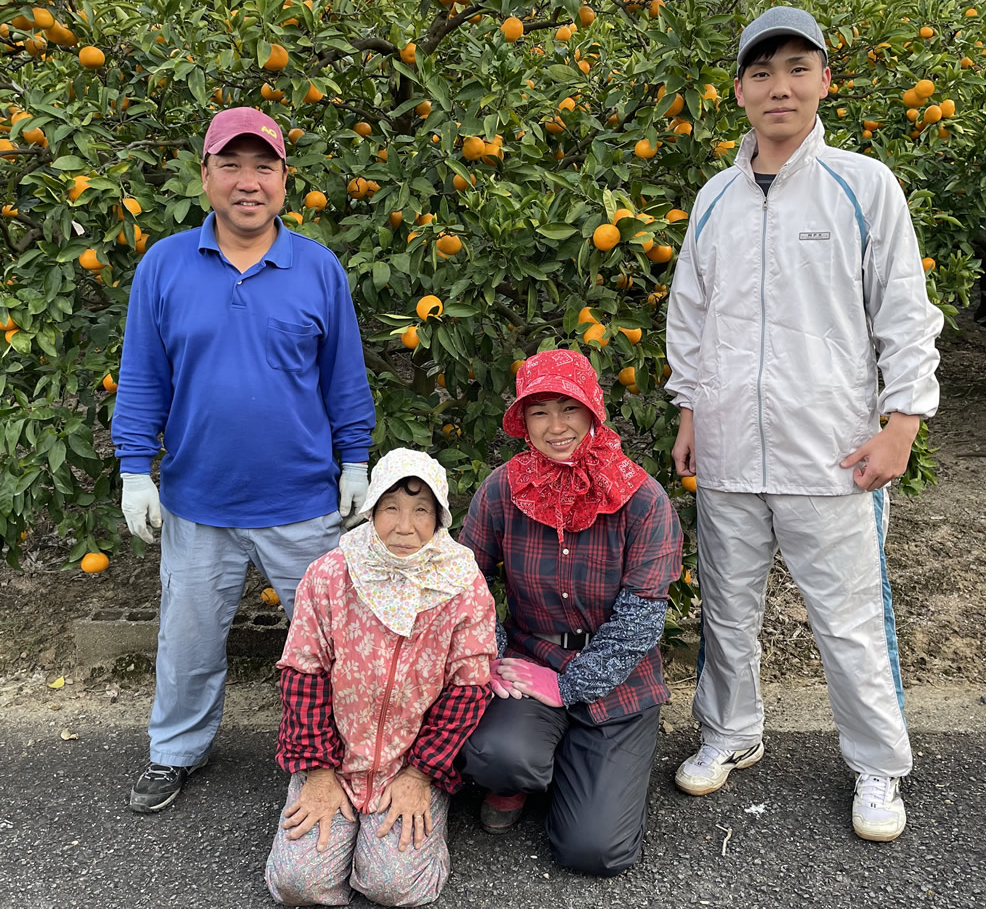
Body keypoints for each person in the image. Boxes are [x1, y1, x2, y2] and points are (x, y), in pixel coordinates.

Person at [665, 6, 944, 842]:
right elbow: (692, 311)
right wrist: (688, 407)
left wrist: (903, 424)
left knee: (851, 619)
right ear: (740, 92)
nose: (779, 86)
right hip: (727, 449)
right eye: (761, 72)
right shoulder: (715, 196)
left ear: (825, 79)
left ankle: (877, 766)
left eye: (797, 68)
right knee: (727, 609)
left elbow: (904, 311)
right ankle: (730, 734)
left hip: (834, 453)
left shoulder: (864, 185)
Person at [111, 106, 376, 814]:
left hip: (303, 504)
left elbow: (344, 380)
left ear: (286, 180)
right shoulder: (164, 265)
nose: (248, 182)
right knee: (188, 643)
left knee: (329, 647)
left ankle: (348, 752)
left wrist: (357, 463)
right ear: (205, 176)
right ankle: (175, 751)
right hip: (199, 502)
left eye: (264, 166)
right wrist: (136, 468)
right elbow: (142, 376)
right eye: (232, 164)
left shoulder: (318, 268)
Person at [457, 349, 683, 877]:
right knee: (495, 755)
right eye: (539, 412)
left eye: (568, 408)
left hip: (617, 682)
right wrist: (488, 653)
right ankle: (523, 771)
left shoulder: (644, 501)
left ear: (593, 411)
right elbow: (467, 582)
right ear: (523, 422)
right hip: (528, 662)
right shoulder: (502, 489)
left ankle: (583, 772)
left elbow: (642, 615)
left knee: (595, 851)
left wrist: (571, 684)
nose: (555, 427)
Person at [264, 448, 496, 907]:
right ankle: (334, 817)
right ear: (372, 509)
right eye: (390, 508)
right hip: (334, 759)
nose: (405, 526)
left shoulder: (462, 583)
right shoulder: (332, 574)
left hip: (408, 765)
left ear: (441, 518)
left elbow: (469, 688)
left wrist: (421, 773)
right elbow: (302, 672)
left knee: (394, 887)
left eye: (421, 511)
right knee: (298, 886)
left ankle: (419, 830)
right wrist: (317, 771)